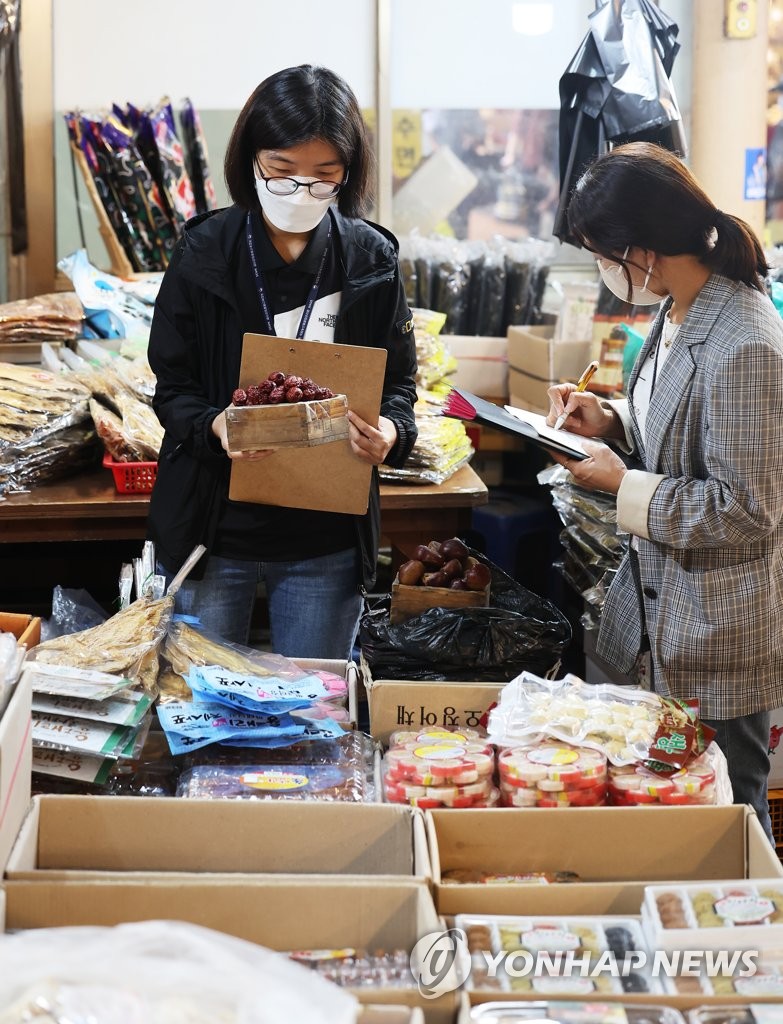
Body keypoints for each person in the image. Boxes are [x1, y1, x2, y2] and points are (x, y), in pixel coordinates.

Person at [546, 141, 783, 843]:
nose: (602, 271)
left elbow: (747, 508)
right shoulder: (678, 310)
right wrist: (611, 419)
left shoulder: (743, 342)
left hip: (714, 630)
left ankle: (753, 940)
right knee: (665, 800)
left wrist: (623, 484)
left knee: (724, 814)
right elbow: (676, 427)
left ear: (641, 252)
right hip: (659, 613)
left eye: (601, 254)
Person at [146, 65, 418, 658]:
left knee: (311, 713)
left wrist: (392, 432)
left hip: (325, 536)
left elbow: (398, 381)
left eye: (324, 177)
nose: (302, 190)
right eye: (282, 171)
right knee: (207, 713)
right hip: (213, 529)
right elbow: (172, 386)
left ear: (348, 173)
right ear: (251, 161)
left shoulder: (370, 260)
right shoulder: (204, 254)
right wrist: (214, 424)